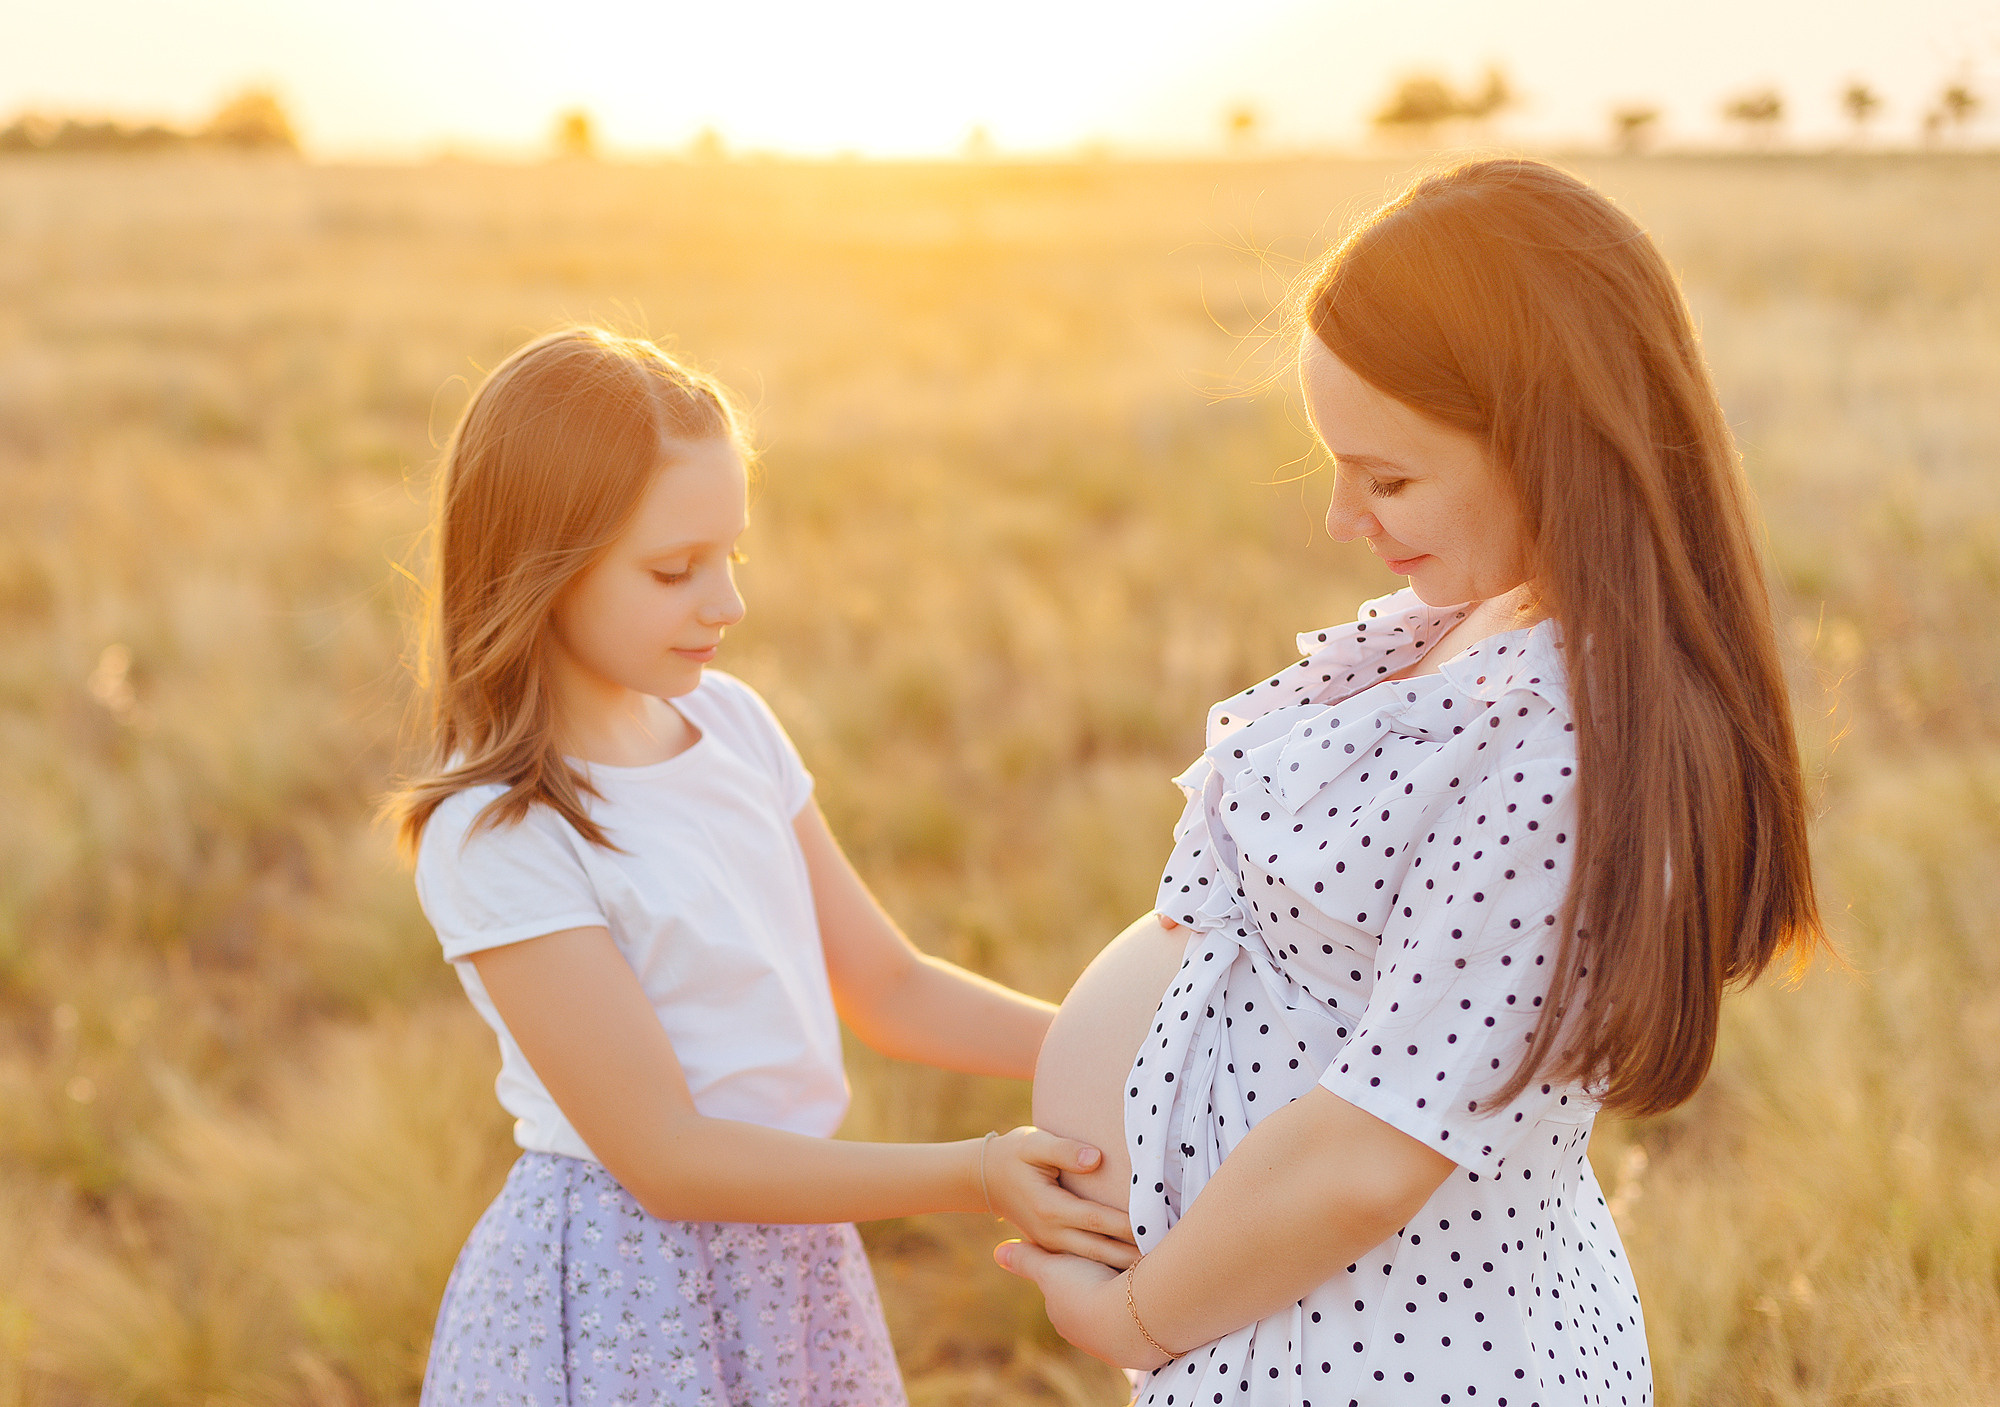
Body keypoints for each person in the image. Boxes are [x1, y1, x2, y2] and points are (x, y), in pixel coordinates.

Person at [1004, 158, 1825, 1407]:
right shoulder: (1465, 628)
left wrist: (1130, 1317)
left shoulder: (1558, 754)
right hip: (1287, 1321)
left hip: (1377, 1351)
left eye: (1386, 477)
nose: (1342, 518)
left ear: (1551, 449)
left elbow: (1369, 1152)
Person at [388, 328, 1135, 1406]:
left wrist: (1131, 1048)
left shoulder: (731, 725)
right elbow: (668, 1156)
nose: (726, 603)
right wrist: (975, 1173)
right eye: (673, 570)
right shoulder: (502, 827)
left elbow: (889, 988)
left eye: (730, 557)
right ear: (540, 567)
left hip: (795, 1257)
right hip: (623, 1290)